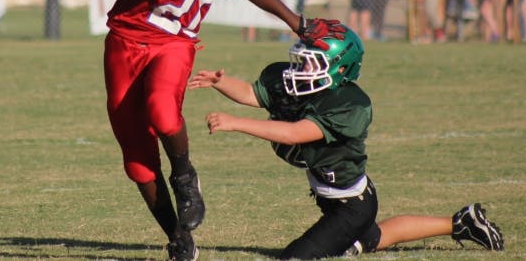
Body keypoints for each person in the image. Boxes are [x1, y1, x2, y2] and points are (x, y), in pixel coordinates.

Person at [103, 0, 346, 261]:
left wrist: (297, 22)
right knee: (137, 158)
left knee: (162, 111)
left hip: (175, 42)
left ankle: (184, 173)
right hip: (126, 41)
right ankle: (178, 235)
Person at [188, 26, 505, 259]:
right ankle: (461, 223)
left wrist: (235, 123)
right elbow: (253, 93)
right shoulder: (299, 84)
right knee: (375, 238)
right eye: (301, 62)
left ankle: (352, 242)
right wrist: (220, 82)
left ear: (339, 68)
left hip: (351, 205)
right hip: (333, 194)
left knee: (295, 257)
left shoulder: (348, 106)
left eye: (311, 64)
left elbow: (294, 133)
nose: (299, 70)